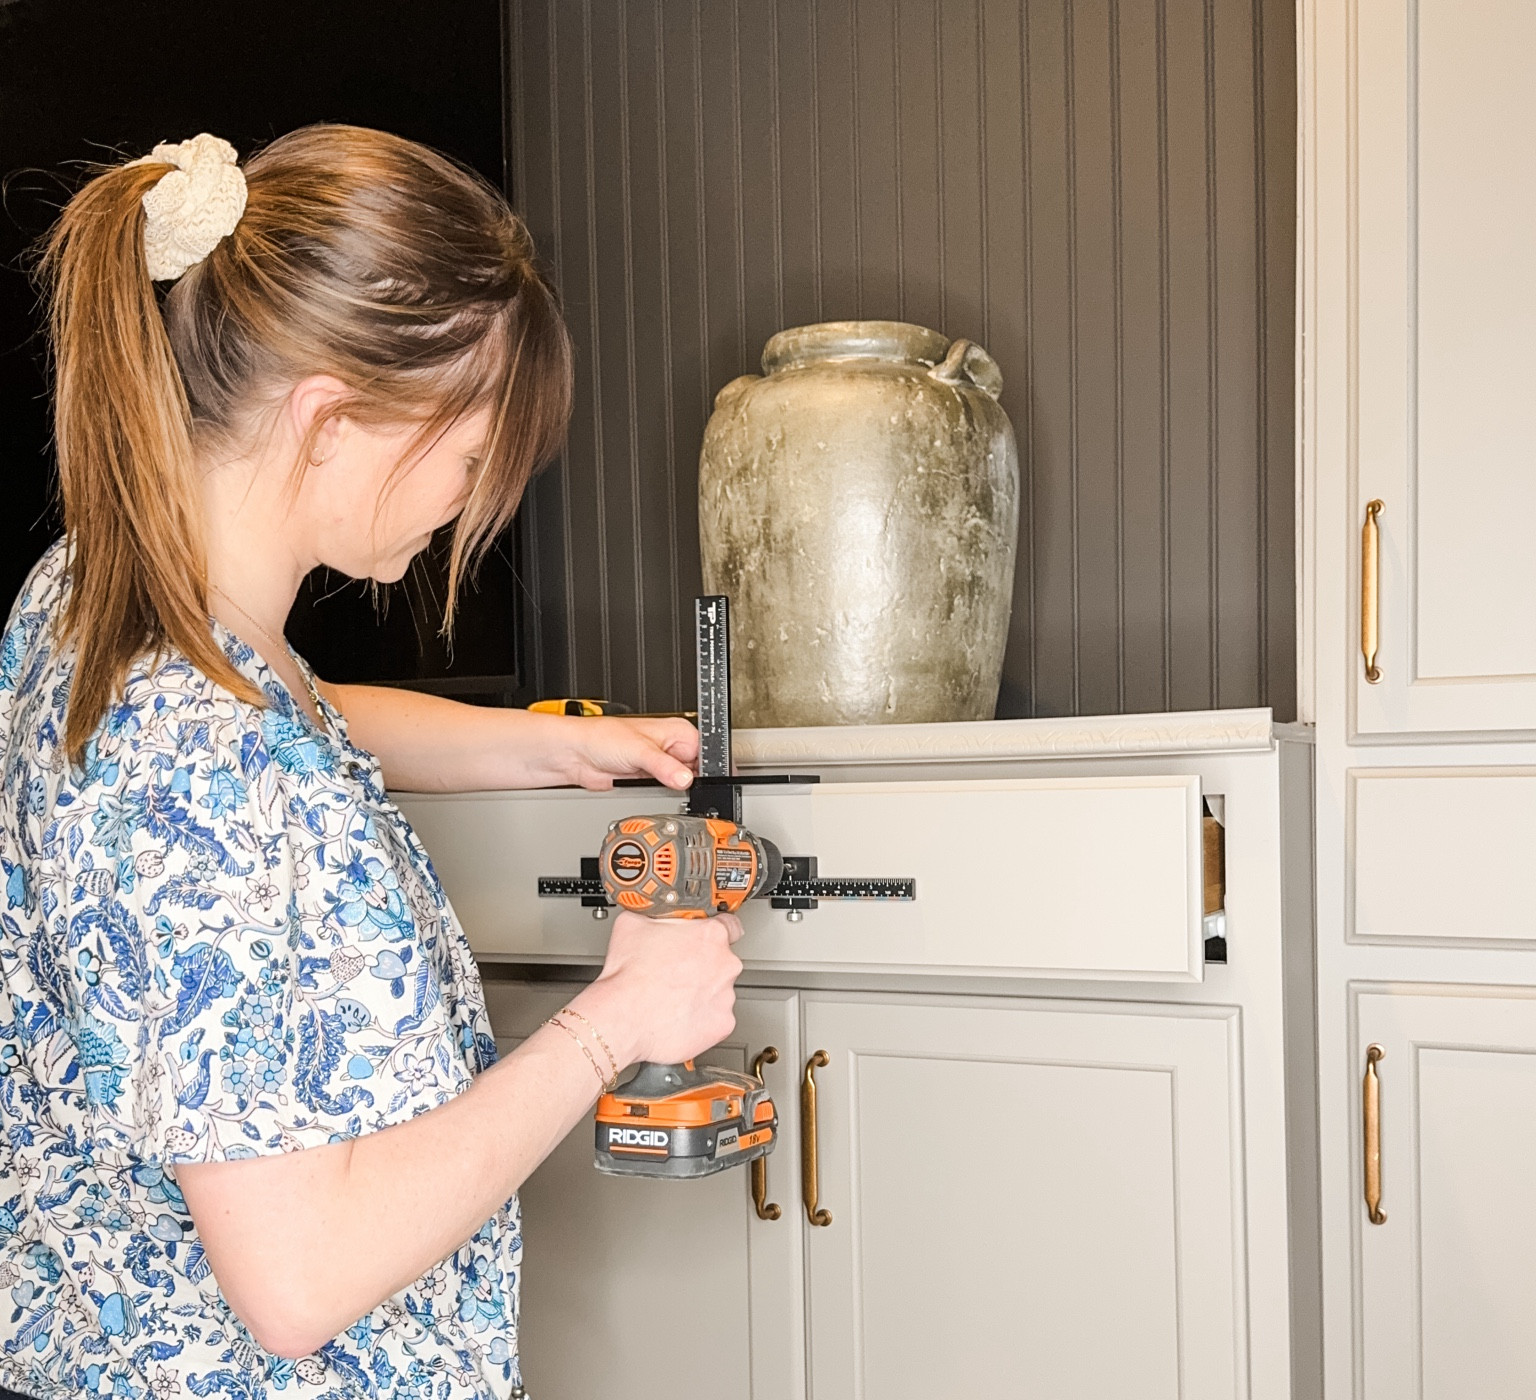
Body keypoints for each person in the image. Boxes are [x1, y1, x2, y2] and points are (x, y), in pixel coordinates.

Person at [0, 127, 744, 1400]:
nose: (463, 502)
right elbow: (297, 1279)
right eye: (465, 459)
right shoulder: (193, 760)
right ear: (330, 418)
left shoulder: (105, 606)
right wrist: (619, 1017)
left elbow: (307, 711)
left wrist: (555, 746)